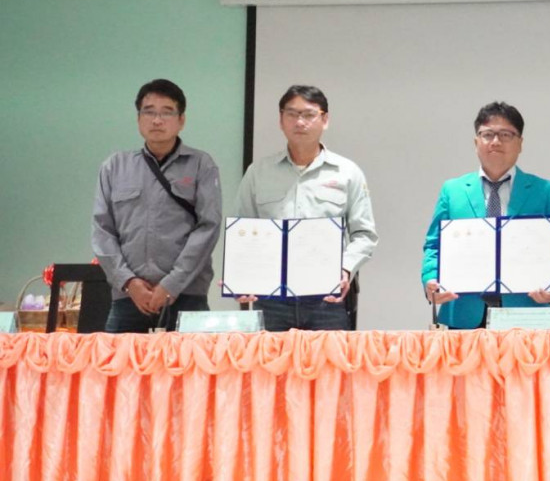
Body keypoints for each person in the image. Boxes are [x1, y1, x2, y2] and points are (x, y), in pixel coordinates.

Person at [235, 85, 377, 331]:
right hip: (271, 298)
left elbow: (364, 234)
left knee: (329, 358)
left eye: (309, 114)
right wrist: (240, 276)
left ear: (325, 120)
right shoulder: (258, 172)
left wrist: (345, 267)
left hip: (327, 298)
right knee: (270, 357)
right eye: (291, 114)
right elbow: (242, 231)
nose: (300, 122)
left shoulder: (347, 172)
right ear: (281, 120)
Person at [422, 102, 550, 329]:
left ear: (520, 143)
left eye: (505, 134)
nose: (495, 141)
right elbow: (434, 245)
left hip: (526, 314)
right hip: (463, 314)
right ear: (476, 142)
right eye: (487, 134)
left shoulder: (544, 191)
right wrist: (430, 279)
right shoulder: (452, 191)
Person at [91, 79, 222, 333]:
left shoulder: (201, 165)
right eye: (149, 112)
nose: (157, 120)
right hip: (129, 297)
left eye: (167, 112)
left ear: (181, 120)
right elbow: (102, 231)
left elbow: (208, 227)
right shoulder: (114, 167)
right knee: (118, 360)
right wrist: (129, 282)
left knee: (191, 361)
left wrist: (171, 284)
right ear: (138, 119)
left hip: (187, 295)